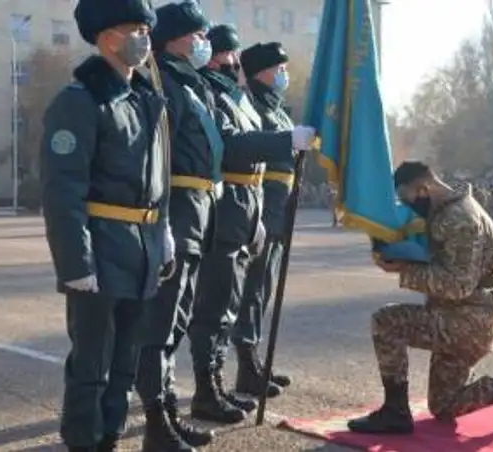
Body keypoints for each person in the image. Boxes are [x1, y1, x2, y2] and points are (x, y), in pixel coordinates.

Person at [40, 1, 170, 450]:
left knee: (125, 363)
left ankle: (109, 438)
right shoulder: (79, 102)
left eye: (146, 30)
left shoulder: (145, 99)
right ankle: (83, 441)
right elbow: (63, 190)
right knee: (92, 365)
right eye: (134, 29)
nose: (144, 39)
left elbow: (159, 180)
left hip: (142, 249)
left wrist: (164, 234)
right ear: (106, 36)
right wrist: (75, 263)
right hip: (100, 248)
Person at [347, 161, 493, 434]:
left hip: (467, 320)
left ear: (423, 188)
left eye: (408, 198)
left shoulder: (459, 219)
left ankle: (395, 411)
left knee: (386, 322)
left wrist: (404, 270)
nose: (409, 206)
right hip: (465, 313)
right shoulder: (454, 209)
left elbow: (458, 285)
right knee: (444, 404)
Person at [189, 24, 317, 420]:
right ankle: (224, 378)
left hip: (259, 206)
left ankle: (237, 371)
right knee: (225, 300)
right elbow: (236, 147)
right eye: (227, 54)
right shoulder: (223, 97)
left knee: (246, 295)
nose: (232, 62)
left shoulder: (247, 101)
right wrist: (287, 141)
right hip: (233, 205)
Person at [134, 1, 225, 450]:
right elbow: (156, 159)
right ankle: (156, 422)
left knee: (176, 322)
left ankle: (167, 410)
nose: (204, 42)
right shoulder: (162, 81)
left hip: (197, 213)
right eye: (198, 35)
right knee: (159, 326)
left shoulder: (191, 83)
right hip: (177, 212)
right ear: (173, 39)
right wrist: (163, 220)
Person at [229, 41, 297, 399]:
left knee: (264, 288)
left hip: (280, 206)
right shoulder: (249, 104)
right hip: (262, 205)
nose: (284, 74)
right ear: (261, 72)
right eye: (279, 69)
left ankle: (256, 361)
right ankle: (247, 367)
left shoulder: (276, 108)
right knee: (253, 289)